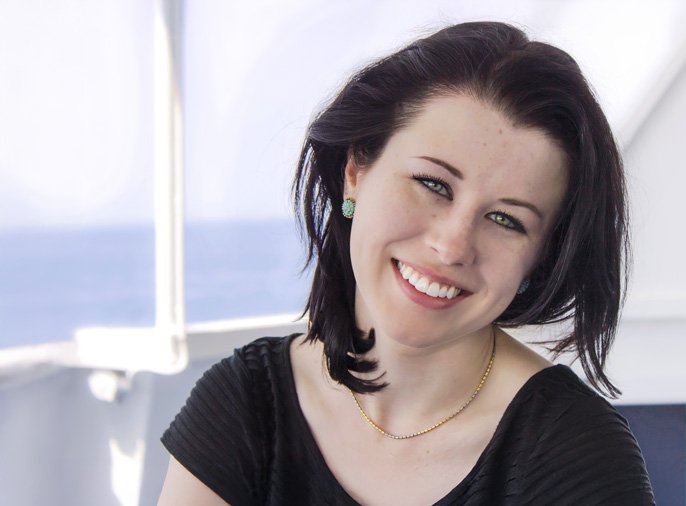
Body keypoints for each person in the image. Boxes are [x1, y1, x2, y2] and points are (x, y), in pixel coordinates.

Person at [158, 21, 655, 506]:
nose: (452, 245)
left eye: (506, 219)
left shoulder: (577, 456)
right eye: (433, 184)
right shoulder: (246, 402)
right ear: (355, 172)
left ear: (542, 257)